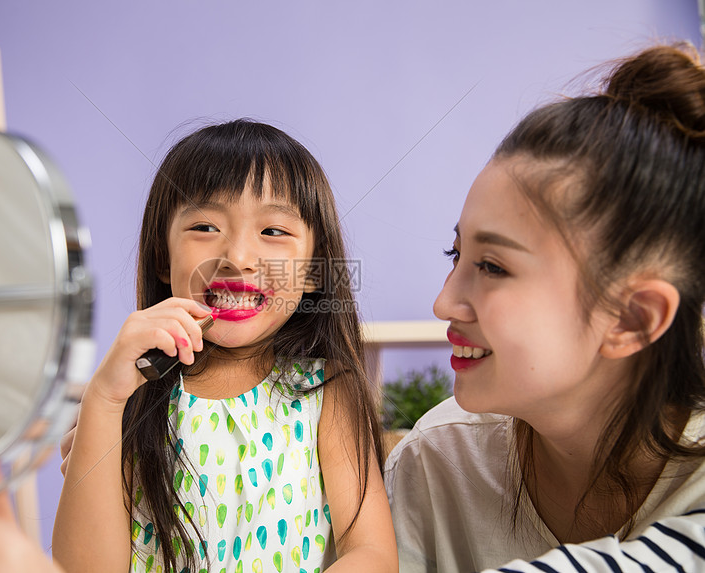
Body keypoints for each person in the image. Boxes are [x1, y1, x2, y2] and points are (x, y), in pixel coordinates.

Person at [385, 43, 705, 571]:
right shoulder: (437, 463)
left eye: (493, 267)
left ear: (631, 318)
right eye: (457, 254)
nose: (444, 302)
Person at [52, 120, 397, 573]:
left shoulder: (327, 389)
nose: (237, 257)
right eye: (205, 226)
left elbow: (371, 554)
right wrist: (102, 401)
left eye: (273, 232)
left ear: (314, 271)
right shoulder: (129, 397)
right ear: (162, 257)